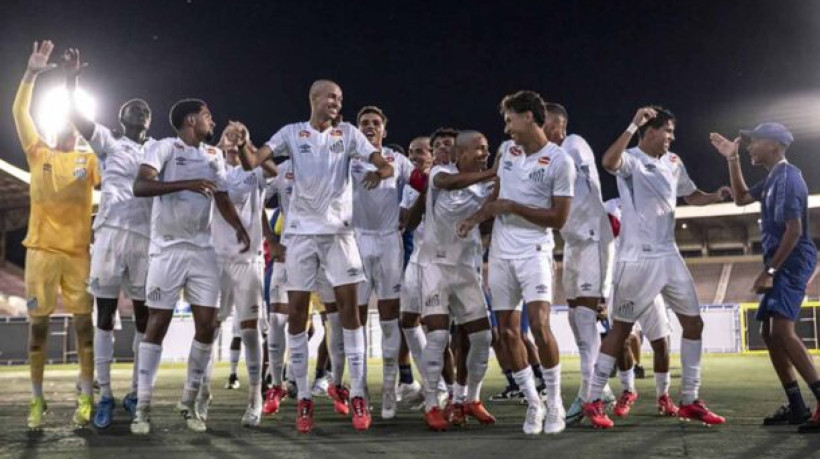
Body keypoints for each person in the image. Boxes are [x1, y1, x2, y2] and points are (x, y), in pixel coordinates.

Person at [238, 79, 393, 433]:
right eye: (332, 97)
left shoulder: (349, 134)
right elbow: (253, 162)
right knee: (295, 316)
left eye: (340, 97)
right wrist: (243, 141)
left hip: (340, 235)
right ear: (314, 99)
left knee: (349, 314)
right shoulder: (292, 133)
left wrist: (380, 170)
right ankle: (303, 396)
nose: (337, 102)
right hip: (300, 237)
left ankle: (356, 393)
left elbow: (380, 162)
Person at [582, 106, 728, 429]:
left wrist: (715, 195)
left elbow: (692, 196)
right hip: (637, 259)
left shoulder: (674, 163)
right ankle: (592, 399)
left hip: (669, 255)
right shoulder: (631, 159)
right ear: (650, 132)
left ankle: (689, 400)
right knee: (620, 331)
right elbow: (608, 162)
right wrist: (633, 123)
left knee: (694, 325)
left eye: (673, 132)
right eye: (668, 132)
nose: (672, 138)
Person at [130, 99, 250, 435]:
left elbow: (222, 194)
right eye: (208, 116)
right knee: (157, 324)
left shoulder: (212, 156)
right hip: (166, 249)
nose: (212, 121)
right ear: (191, 120)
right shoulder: (164, 147)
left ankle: (189, 402)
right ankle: (142, 407)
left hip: (202, 251)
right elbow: (141, 186)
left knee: (208, 325)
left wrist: (238, 226)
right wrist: (186, 183)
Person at [460, 90, 574, 435]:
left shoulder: (559, 161)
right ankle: (533, 403)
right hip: (500, 253)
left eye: (510, 119)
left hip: (535, 251)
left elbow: (558, 218)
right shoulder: (506, 152)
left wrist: (513, 208)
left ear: (528, 117)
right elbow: (496, 196)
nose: (506, 127)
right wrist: (476, 219)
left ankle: (553, 401)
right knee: (508, 332)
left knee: (539, 325)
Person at [62, 48, 154, 429]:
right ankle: (104, 395)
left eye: (143, 110)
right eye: (131, 109)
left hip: (147, 239)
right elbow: (75, 117)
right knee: (103, 315)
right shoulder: (108, 142)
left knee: (146, 319)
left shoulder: (158, 149)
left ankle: (136, 393)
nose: (138, 112)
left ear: (148, 120)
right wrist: (72, 81)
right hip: (111, 236)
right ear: (121, 119)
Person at [13, 41, 101, 429]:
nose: (66, 125)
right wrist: (31, 74)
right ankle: (36, 401)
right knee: (38, 331)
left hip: (78, 254)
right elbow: (19, 111)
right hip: (41, 254)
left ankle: (86, 397)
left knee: (84, 328)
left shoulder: (90, 159)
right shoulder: (38, 153)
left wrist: (71, 82)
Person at [711, 124, 820, 432]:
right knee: (770, 333)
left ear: (773, 145)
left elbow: (795, 230)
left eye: (753, 142)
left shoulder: (788, 177)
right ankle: (798, 407)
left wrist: (769, 270)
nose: (749, 147)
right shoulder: (774, 178)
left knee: (783, 331)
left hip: (792, 261)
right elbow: (742, 198)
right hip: (783, 261)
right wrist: (732, 160)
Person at [542, 102, 614, 425]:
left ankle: (590, 397)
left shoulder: (573, 144)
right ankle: (602, 388)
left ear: (559, 125)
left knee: (585, 322)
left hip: (592, 240)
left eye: (541, 124)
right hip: (572, 245)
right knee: (575, 320)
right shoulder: (552, 154)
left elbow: (564, 173)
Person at [419, 130, 496, 431]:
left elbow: (491, 213)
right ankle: (430, 404)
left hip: (466, 270)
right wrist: (492, 173)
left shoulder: (488, 183)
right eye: (478, 149)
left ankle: (469, 400)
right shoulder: (442, 172)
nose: (484, 153)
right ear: (460, 154)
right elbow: (448, 184)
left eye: (487, 148)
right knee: (438, 338)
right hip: (435, 267)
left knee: (482, 337)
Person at [352, 106, 414, 419]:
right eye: (364, 123)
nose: (370, 127)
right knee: (357, 318)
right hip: (357, 241)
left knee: (390, 315)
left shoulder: (397, 159)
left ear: (384, 131)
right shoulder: (348, 158)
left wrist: (407, 212)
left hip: (390, 240)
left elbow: (418, 184)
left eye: (376, 123)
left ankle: (389, 389)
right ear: (357, 127)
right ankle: (360, 390)